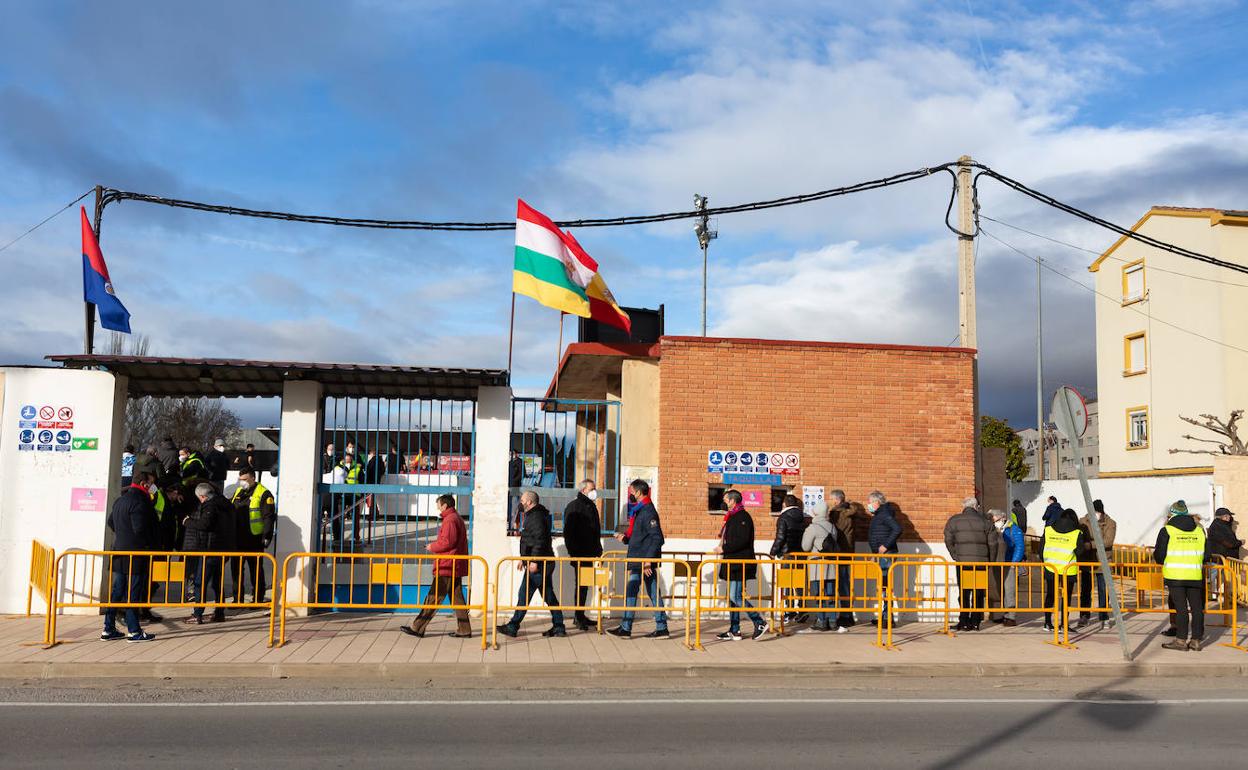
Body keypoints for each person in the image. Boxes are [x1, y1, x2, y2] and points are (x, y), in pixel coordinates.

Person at [497, 491, 566, 638]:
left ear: (529, 502)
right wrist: (524, 559)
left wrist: (534, 560)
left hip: (539, 564)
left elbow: (539, 540)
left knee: (524, 594)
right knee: (549, 596)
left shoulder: (536, 517)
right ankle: (559, 626)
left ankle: (513, 626)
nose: (520, 503)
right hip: (542, 562)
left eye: (522, 500)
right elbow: (530, 540)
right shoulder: (535, 515)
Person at [402, 495, 472, 638]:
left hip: (447, 564)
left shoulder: (450, 520)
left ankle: (417, 627)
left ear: (445, 505)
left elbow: (447, 542)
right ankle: (464, 629)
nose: (437, 507)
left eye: (439, 505)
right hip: (453, 563)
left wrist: (432, 546)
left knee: (434, 597)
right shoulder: (455, 518)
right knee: (457, 598)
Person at [608, 480, 670, 639]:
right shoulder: (640, 510)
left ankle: (627, 628)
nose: (630, 494)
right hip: (639, 559)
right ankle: (660, 627)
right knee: (651, 592)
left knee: (634, 590)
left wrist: (648, 561)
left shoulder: (648, 511)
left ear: (638, 492)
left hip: (642, 561)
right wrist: (624, 538)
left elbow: (657, 538)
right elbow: (640, 536)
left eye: (631, 491)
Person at [101, 471, 158, 642]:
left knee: (117, 591)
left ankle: (108, 628)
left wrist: (123, 534)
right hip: (136, 554)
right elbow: (140, 529)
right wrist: (150, 544)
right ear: (143, 484)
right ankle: (134, 631)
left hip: (119, 551)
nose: (152, 487)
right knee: (133, 592)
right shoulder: (141, 501)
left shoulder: (121, 500)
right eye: (151, 483)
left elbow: (111, 522)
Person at [712, 489, 769, 641]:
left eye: (726, 500)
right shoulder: (732, 516)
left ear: (732, 501)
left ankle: (759, 622)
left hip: (739, 563)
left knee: (735, 596)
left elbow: (742, 541)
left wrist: (724, 548)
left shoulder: (743, 517)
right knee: (732, 598)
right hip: (732, 562)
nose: (724, 503)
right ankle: (735, 630)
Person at [1154, 500, 1211, 651]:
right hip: (1195, 574)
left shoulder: (1167, 530)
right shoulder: (1199, 530)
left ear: (1171, 514)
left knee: (1181, 609)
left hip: (1175, 576)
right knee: (1197, 608)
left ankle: (1181, 640)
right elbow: (1207, 555)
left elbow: (1159, 556)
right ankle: (1196, 640)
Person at [182, 483, 235, 624]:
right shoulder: (227, 504)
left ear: (203, 496)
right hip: (223, 549)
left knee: (200, 583)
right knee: (217, 583)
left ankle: (197, 614)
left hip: (210, 550)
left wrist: (188, 521)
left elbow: (205, 525)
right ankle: (219, 612)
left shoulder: (210, 506)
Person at [944, 497, 997, 631]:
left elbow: (948, 540)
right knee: (978, 592)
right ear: (975, 507)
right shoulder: (986, 522)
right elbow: (993, 544)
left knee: (964, 591)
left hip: (963, 563)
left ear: (964, 507)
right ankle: (975, 622)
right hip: (981, 563)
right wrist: (990, 561)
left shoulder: (954, 520)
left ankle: (963, 621)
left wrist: (956, 556)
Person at [562, 479, 603, 631]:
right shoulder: (575, 507)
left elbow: (595, 531)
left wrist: (598, 550)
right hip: (580, 554)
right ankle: (578, 617)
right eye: (592, 489)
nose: (594, 491)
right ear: (583, 490)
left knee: (585, 585)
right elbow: (569, 533)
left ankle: (580, 615)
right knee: (581, 585)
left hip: (590, 553)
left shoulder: (590, 506)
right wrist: (574, 553)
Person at [231, 469, 276, 603]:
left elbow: (268, 517)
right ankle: (237, 599)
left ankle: (257, 598)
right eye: (240, 479)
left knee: (255, 570)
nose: (242, 482)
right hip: (238, 538)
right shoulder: (239, 492)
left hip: (254, 539)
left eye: (245, 479)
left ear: (253, 478)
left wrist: (266, 536)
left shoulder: (263, 493)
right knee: (236, 570)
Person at [801, 500, 846, 632]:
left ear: (816, 513)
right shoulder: (832, 527)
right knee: (830, 594)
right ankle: (833, 621)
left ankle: (822, 621)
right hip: (831, 565)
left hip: (816, 566)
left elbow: (805, 547)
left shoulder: (812, 528)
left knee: (819, 594)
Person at [1041, 508, 1087, 632]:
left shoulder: (1048, 530)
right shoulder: (1077, 533)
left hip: (1051, 568)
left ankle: (1047, 623)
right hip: (1068, 569)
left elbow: (1041, 550)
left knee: (1050, 595)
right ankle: (1063, 625)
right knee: (1066, 598)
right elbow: (1080, 551)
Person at [1077, 499, 1118, 630]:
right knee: (1085, 590)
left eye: (1097, 512)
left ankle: (1104, 616)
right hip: (1087, 561)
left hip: (1103, 561)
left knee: (1103, 590)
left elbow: (1108, 541)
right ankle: (1084, 615)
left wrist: (1090, 544)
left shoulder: (1110, 523)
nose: (1095, 514)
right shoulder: (1082, 521)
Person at [771, 494, 808, 623]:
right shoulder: (803, 517)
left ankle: (789, 611)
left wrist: (773, 551)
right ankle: (802, 609)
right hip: (800, 554)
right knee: (798, 583)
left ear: (784, 504)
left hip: (787, 554)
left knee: (787, 583)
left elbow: (780, 537)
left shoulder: (783, 517)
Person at [867, 490, 901, 627]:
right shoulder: (879, 515)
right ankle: (885, 615)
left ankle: (887, 618)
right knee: (883, 586)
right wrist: (874, 554)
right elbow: (876, 536)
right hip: (881, 555)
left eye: (870, 502)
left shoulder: (884, 514)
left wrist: (885, 546)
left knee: (885, 586)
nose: (869, 505)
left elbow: (897, 529)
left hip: (887, 555)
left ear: (877, 502)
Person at [990, 509, 1024, 627]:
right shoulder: (993, 530)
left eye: (996, 520)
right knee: (999, 589)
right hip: (997, 563)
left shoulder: (1013, 529)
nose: (995, 523)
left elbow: (1019, 547)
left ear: (1003, 518)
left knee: (1009, 590)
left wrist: (1014, 563)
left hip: (1009, 564)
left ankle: (1010, 616)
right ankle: (1001, 614)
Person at [829, 490, 857, 630]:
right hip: (848, 552)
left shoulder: (837, 514)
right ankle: (848, 614)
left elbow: (834, 533)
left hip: (839, 552)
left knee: (841, 584)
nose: (831, 502)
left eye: (832, 499)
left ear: (836, 500)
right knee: (845, 583)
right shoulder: (850, 512)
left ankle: (844, 616)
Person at [508, 450, 525, 532]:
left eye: (512, 453)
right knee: (509, 507)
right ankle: (510, 526)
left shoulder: (520, 462)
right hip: (508, 487)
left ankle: (511, 527)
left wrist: (513, 481)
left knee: (513, 508)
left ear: (516, 454)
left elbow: (522, 474)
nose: (511, 455)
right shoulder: (509, 462)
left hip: (515, 487)